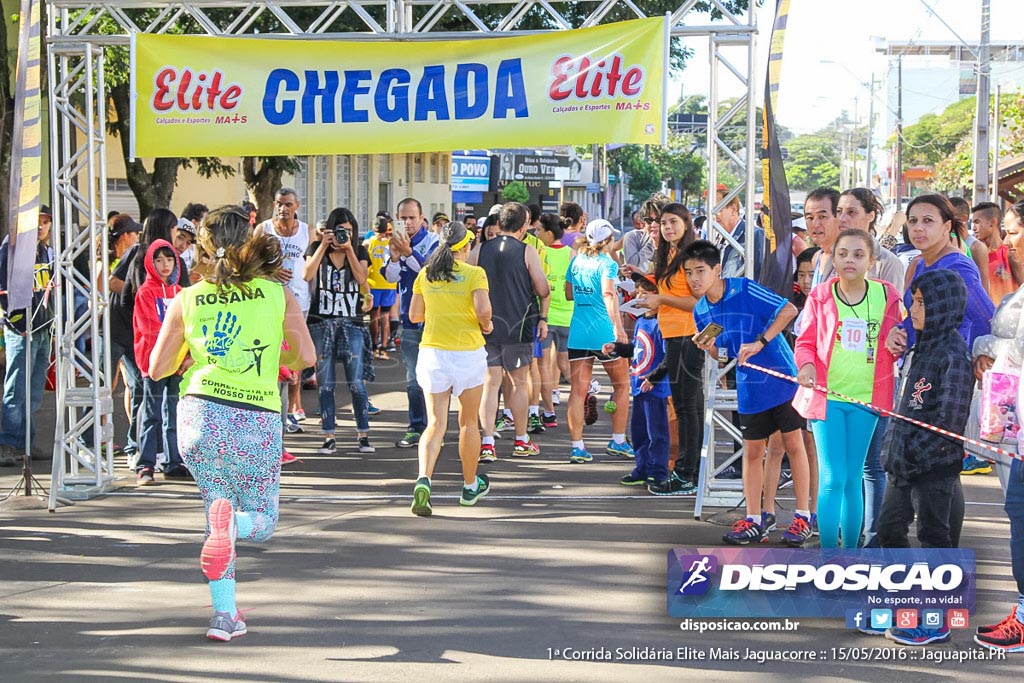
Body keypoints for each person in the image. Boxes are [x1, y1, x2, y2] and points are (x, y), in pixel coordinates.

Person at [148, 205, 316, 642]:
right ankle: (233, 528)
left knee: (214, 513)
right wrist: (275, 357)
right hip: (254, 417)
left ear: (202, 244)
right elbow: (306, 357)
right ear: (250, 240)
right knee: (259, 521)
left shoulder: (188, 296)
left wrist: (194, 352)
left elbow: (157, 367)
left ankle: (225, 617)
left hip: (200, 415)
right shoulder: (276, 292)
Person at [685, 240, 813, 547]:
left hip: (781, 376)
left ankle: (803, 516)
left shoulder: (743, 288)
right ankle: (755, 519)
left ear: (717, 269)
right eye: (688, 272)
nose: (694, 278)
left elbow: (789, 310)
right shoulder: (701, 311)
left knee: (794, 444)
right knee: (753, 452)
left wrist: (760, 342)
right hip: (749, 386)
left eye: (700, 271)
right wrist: (709, 348)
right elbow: (724, 355)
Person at [878, 270, 973, 646]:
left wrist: (912, 454)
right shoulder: (921, 347)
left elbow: (947, 421)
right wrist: (894, 450)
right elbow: (908, 408)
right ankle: (904, 602)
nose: (913, 309)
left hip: (933, 467)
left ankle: (936, 618)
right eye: (913, 301)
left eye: (921, 303)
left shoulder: (953, 355)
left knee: (934, 536)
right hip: (902, 464)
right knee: (889, 528)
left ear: (942, 307)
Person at [794, 229, 902, 549]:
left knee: (854, 478)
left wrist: (899, 343)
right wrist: (807, 365)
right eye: (842, 254)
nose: (849, 260)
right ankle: (829, 557)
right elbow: (805, 342)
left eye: (858, 254)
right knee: (832, 479)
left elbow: (896, 340)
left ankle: (850, 556)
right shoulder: (820, 295)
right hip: (826, 398)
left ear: (871, 260)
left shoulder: (887, 295)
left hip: (867, 399)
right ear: (833, 258)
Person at [407, 222, 493, 516]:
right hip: (467, 353)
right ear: (465, 247)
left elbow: (415, 314)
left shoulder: (426, 274)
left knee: (435, 424)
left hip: (433, 354)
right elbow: (484, 311)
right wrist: (487, 324)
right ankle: (470, 486)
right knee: (468, 423)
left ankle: (423, 480)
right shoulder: (475, 274)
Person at [470, 202, 550, 460]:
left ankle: (487, 442)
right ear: (524, 225)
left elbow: (469, 286)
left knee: (490, 384)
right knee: (518, 383)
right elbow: (542, 289)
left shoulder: (479, 249)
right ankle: (520, 439)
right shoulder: (528, 251)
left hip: (485, 325)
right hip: (518, 325)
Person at [637, 202, 702, 495]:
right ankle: (687, 472)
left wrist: (661, 300)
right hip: (672, 335)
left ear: (686, 224)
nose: (667, 227)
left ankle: (687, 474)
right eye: (663, 223)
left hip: (689, 336)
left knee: (688, 408)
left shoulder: (692, 255)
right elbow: (669, 293)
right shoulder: (669, 254)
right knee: (685, 406)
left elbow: (697, 301)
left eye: (673, 222)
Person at [885, 194, 994, 357]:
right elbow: (922, 318)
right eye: (913, 221)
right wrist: (900, 331)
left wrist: (978, 358)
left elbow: (986, 318)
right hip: (925, 365)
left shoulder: (957, 266)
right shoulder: (921, 264)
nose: (918, 228)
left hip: (950, 370)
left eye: (928, 220)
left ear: (947, 226)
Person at [302, 207, 374, 455]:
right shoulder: (315, 248)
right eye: (341, 231)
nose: (345, 235)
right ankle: (329, 436)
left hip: (351, 324)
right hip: (321, 323)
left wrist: (350, 249)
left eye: (349, 231)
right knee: (325, 384)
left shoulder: (360, 251)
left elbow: (362, 277)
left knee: (356, 383)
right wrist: (323, 245)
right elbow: (306, 274)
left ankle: (363, 435)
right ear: (331, 229)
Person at [564, 219, 631, 463]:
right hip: (604, 332)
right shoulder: (607, 263)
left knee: (578, 391)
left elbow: (568, 293)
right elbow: (608, 294)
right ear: (608, 240)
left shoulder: (577, 260)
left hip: (579, 331)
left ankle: (577, 446)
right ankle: (618, 440)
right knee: (622, 385)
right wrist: (619, 328)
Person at [132, 239, 191, 484]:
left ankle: (173, 461)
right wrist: (169, 354)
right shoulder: (145, 292)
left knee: (173, 412)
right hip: (154, 362)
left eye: (169, 259)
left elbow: (188, 326)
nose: (164, 265)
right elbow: (150, 328)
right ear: (150, 263)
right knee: (151, 414)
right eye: (158, 260)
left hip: (177, 364)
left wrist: (184, 357)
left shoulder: (180, 293)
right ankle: (145, 464)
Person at [0, 205, 55, 463]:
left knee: (34, 390)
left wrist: (51, 324)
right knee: (16, 388)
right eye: (39, 221)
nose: (42, 226)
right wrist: (16, 321)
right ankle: (8, 443)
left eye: (46, 222)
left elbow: (47, 290)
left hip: (43, 328)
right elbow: (3, 287)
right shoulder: (12, 247)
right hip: (21, 329)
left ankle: (26, 443)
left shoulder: (44, 250)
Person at [384, 198, 439, 448]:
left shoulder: (434, 241)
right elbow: (391, 278)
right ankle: (416, 425)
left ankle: (437, 425)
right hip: (409, 319)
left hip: (435, 319)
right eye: (403, 218)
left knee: (437, 376)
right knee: (413, 377)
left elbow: (431, 272)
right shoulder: (394, 242)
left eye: (412, 218)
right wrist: (395, 258)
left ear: (421, 218)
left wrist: (408, 253)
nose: (407, 223)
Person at [258, 188, 313, 431]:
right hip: (269, 302)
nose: (283, 209)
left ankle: (294, 405)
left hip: (299, 300)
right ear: (274, 204)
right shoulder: (263, 230)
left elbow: (312, 264)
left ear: (297, 205)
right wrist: (271, 272)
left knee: (296, 355)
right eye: (279, 204)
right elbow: (251, 263)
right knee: (274, 355)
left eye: (288, 204)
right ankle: (273, 408)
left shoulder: (306, 231)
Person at [619, 274, 671, 488]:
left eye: (645, 293)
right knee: (638, 430)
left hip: (654, 387)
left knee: (657, 431)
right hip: (638, 384)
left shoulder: (662, 323)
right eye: (638, 292)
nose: (639, 296)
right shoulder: (641, 321)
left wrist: (655, 378)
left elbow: (668, 357)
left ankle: (658, 471)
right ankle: (642, 467)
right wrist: (618, 348)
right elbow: (637, 348)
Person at [536, 212, 574, 426]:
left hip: (546, 316)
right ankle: (585, 392)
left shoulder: (540, 253)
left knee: (543, 367)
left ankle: (549, 413)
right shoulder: (573, 254)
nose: (537, 233)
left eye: (540, 230)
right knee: (566, 364)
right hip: (569, 316)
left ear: (549, 233)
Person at [363, 214, 397, 359]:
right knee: (385, 316)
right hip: (389, 284)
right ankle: (384, 348)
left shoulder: (368, 242)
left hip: (373, 283)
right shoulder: (391, 243)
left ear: (373, 228)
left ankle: (373, 347)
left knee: (374, 317)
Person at [973, 201, 1018, 305]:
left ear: (992, 223)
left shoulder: (1010, 253)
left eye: (977, 222)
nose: (974, 228)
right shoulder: (975, 255)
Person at [715, 190, 765, 281]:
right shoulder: (718, 238)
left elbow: (761, 276)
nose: (714, 216)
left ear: (734, 209)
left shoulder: (754, 235)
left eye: (718, 210)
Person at [950, 195, 991, 294]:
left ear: (963, 218)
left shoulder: (977, 247)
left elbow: (983, 284)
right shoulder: (946, 242)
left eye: (950, 217)